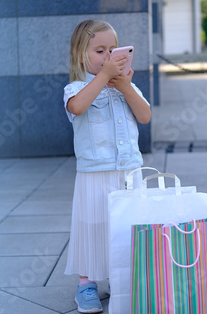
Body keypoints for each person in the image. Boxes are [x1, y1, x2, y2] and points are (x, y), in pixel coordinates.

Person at [63, 19, 151, 313]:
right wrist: (103, 77)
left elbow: (145, 115)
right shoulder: (76, 88)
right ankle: (86, 284)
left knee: (125, 225)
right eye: (100, 51)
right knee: (92, 225)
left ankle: (120, 278)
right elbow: (76, 107)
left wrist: (125, 85)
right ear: (81, 56)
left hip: (128, 170)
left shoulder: (126, 86)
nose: (108, 56)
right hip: (94, 173)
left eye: (113, 49)